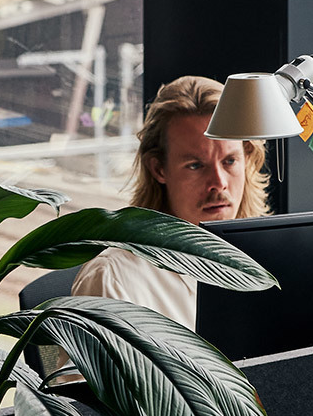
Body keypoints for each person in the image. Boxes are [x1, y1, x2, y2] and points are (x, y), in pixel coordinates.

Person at [70, 75, 270, 327]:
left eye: (229, 161)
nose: (219, 182)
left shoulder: (265, 258)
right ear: (159, 169)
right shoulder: (114, 277)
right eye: (196, 165)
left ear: (247, 157)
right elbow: (83, 368)